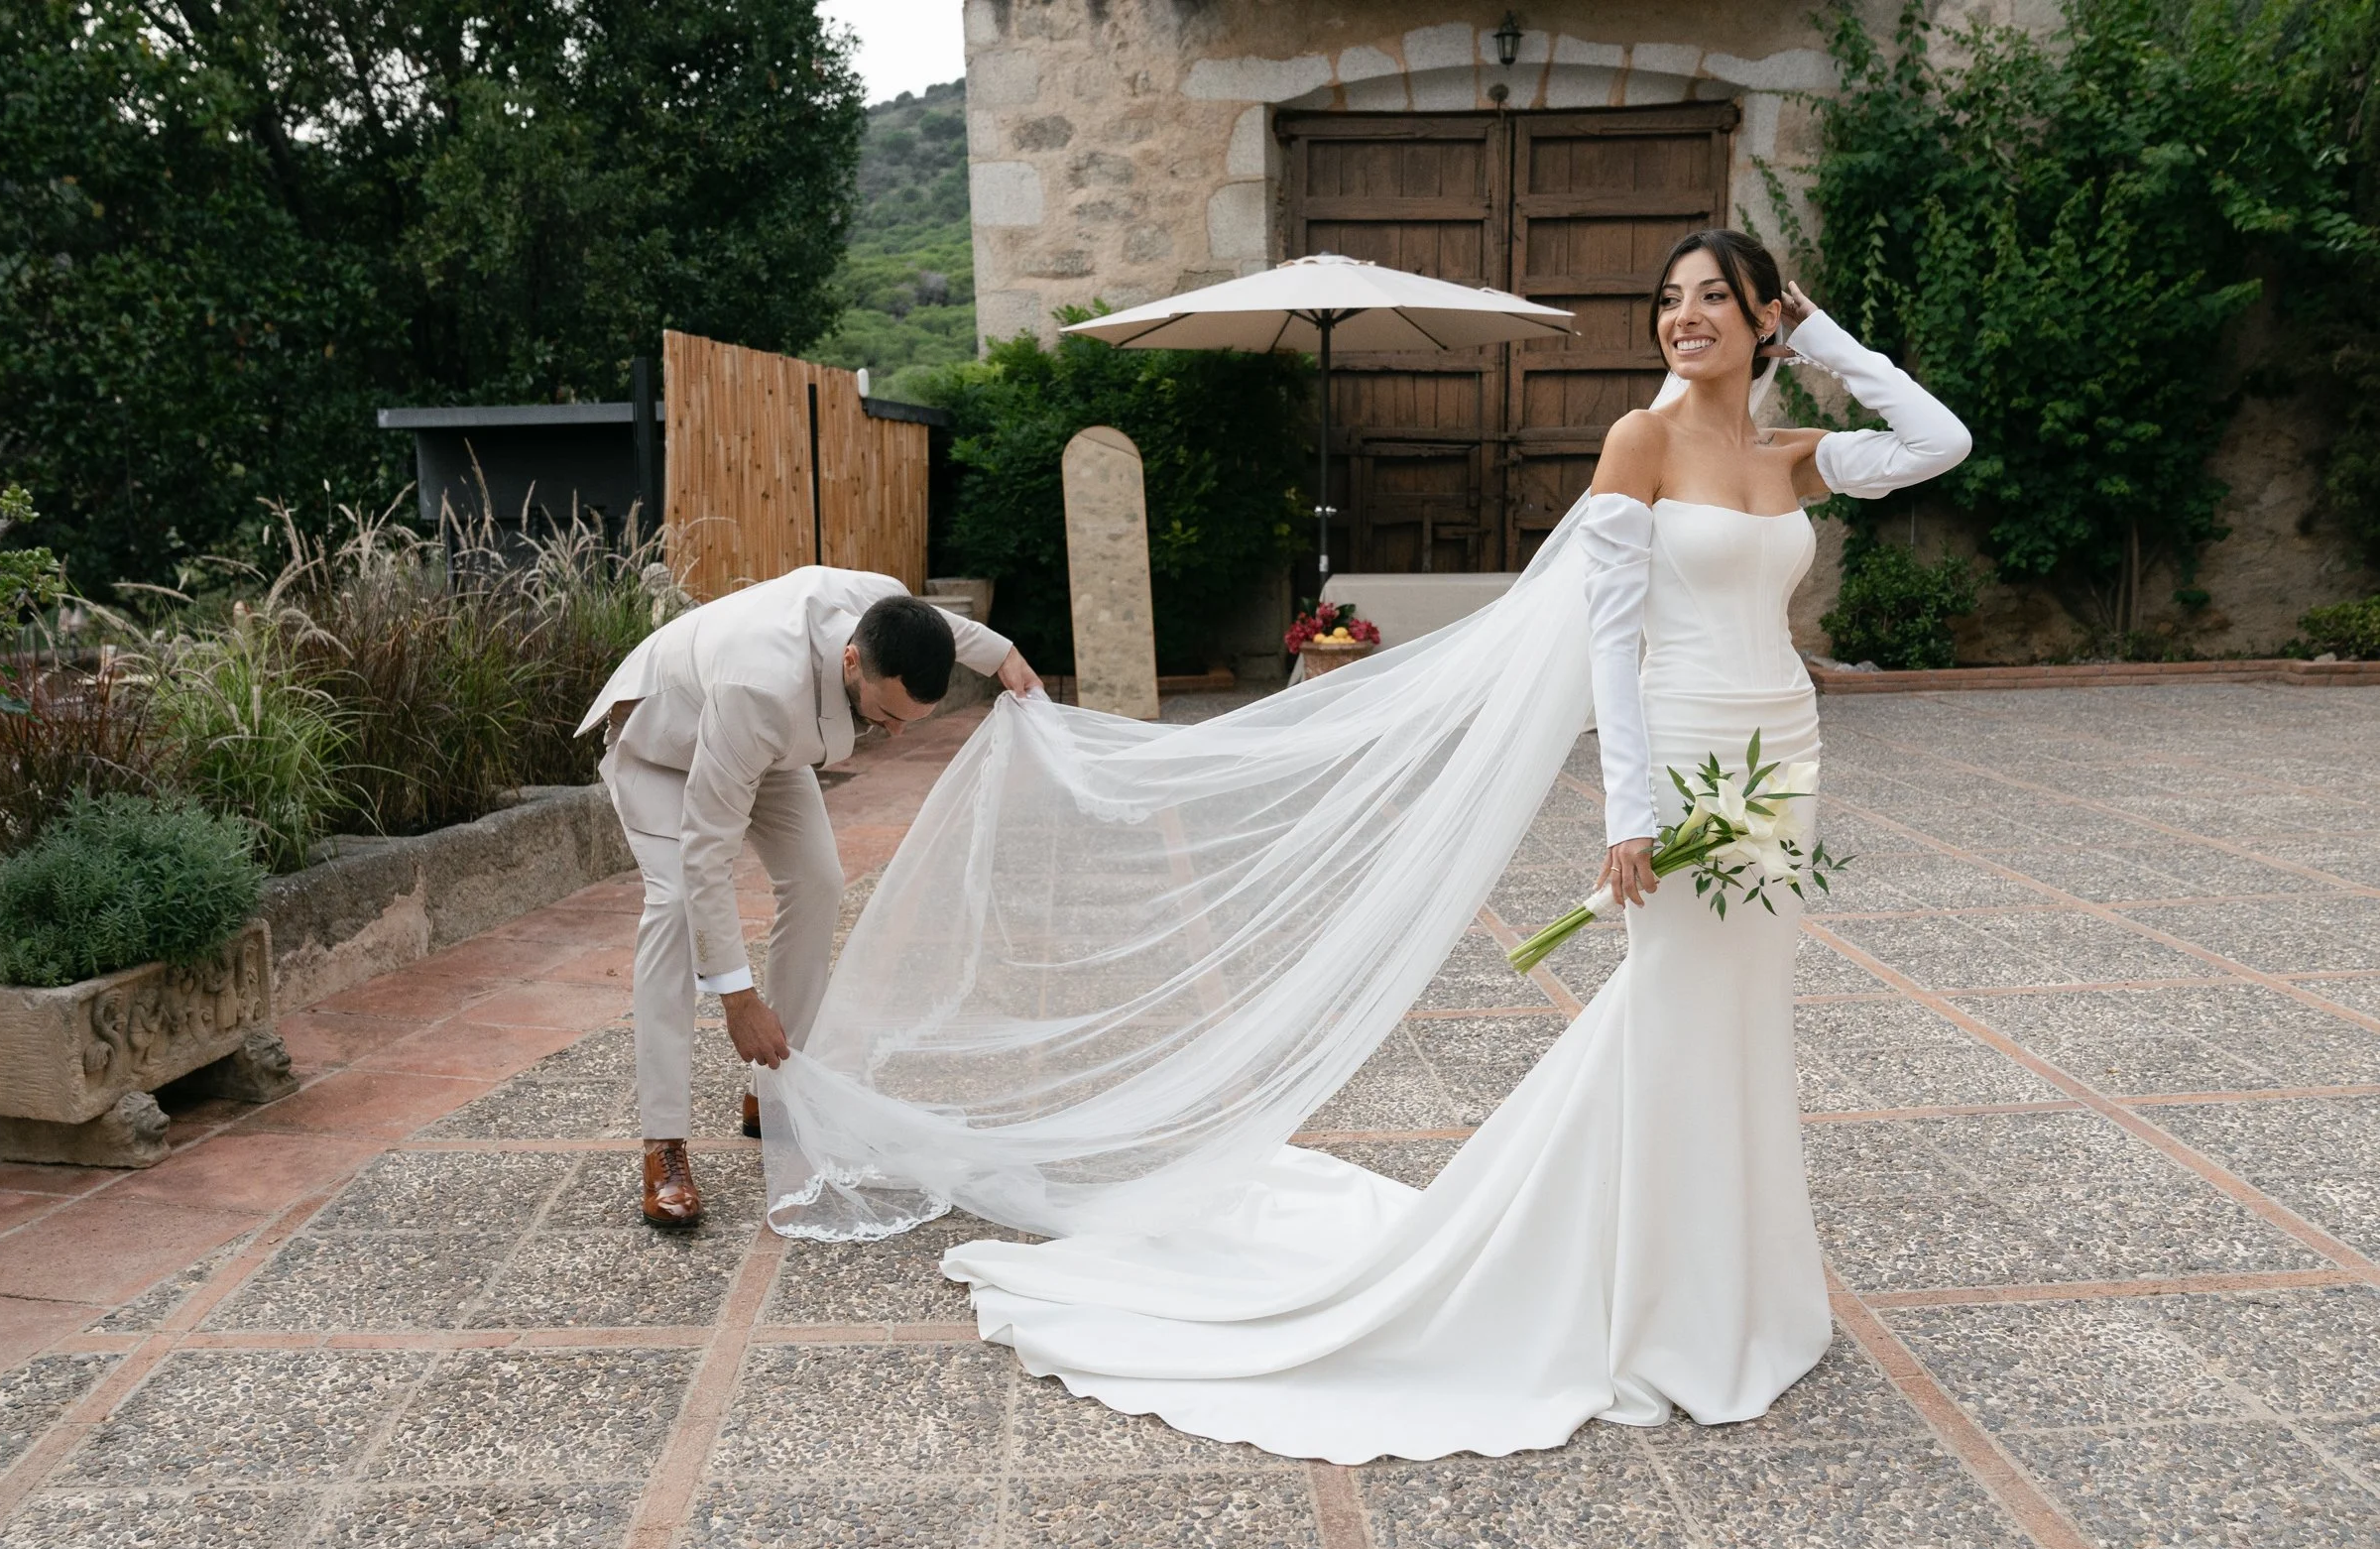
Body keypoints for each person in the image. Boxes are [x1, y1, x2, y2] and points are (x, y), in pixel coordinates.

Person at [762, 229, 1967, 1463]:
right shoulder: (1637, 443)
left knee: (1745, 1016)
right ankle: (1646, 1292)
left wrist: (1821, 339)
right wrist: (1628, 809)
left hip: (1783, 762)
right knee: (1671, 1008)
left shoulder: (1789, 457)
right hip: (1689, 753)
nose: (1683, 317)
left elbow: (1937, 443)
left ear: (1765, 314)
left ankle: (1737, 1284)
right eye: (1669, 299)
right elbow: (1611, 638)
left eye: (1717, 299)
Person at [576, 566, 1037, 1226]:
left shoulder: (871, 605)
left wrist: (1004, 657)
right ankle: (664, 1143)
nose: (896, 734)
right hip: (663, 744)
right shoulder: (758, 686)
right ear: (852, 659)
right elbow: (708, 851)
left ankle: (776, 1093)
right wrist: (737, 999)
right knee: (676, 905)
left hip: (761, 746)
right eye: (885, 715)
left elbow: (934, 626)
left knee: (819, 879)